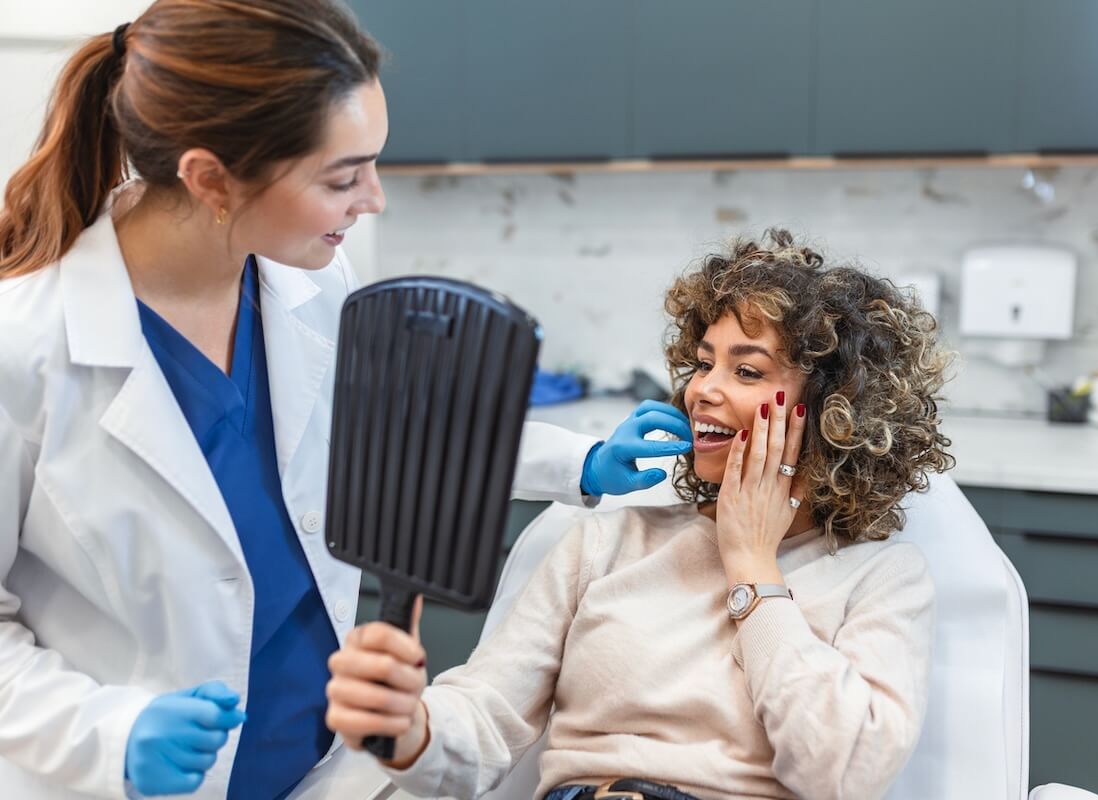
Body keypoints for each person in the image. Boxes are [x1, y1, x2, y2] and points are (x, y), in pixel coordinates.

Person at [0, 2, 688, 798]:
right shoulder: (25, 346)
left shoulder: (308, 282)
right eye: (342, 176)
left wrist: (584, 463)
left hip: (321, 769)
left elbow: (392, 431)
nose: (374, 199)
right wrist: (107, 733)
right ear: (210, 178)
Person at [325, 229, 956, 800]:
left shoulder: (881, 579)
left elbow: (839, 772)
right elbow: (484, 721)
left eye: (745, 369)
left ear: (834, 409)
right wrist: (408, 729)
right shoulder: (604, 542)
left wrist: (752, 568)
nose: (701, 390)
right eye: (704, 362)